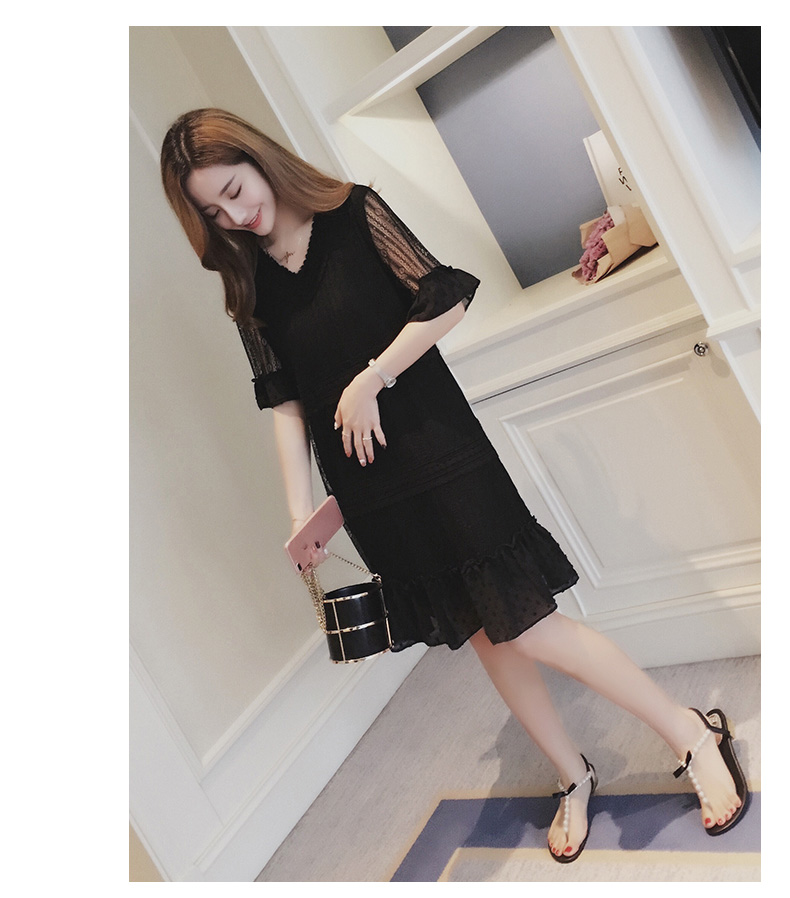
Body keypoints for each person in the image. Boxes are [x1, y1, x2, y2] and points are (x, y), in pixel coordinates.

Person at [160, 108, 749, 863]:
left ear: (261, 161)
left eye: (236, 191)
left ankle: (690, 733)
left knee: (529, 624)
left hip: (442, 453)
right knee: (482, 634)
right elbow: (285, 402)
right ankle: (572, 774)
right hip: (372, 492)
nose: (235, 216)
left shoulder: (354, 213)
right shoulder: (250, 286)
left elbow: (445, 297)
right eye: (214, 212)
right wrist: (299, 512)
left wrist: (372, 377)